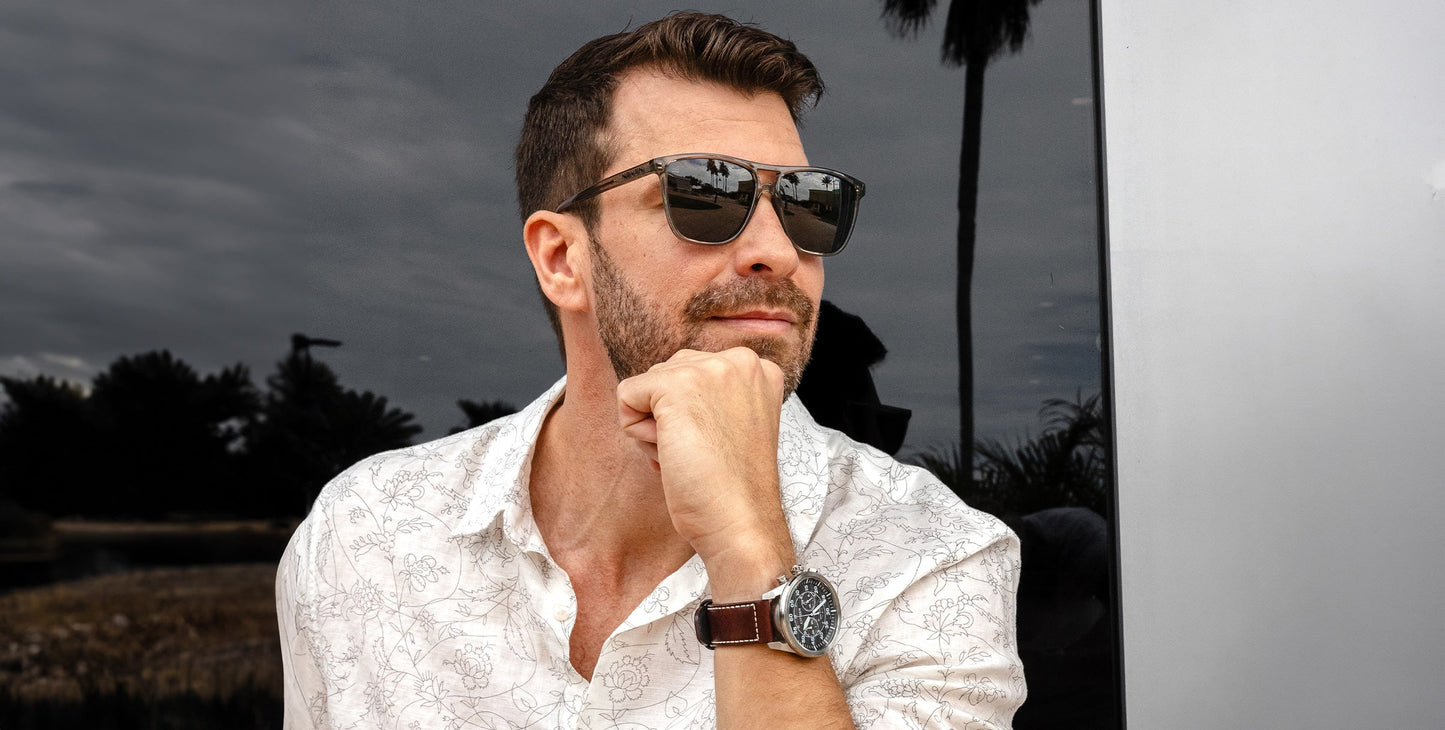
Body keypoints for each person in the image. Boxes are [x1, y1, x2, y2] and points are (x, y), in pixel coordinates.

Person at [276, 12, 1024, 729]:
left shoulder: (931, 556)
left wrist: (748, 550)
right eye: (704, 193)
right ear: (562, 259)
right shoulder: (367, 532)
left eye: (806, 204)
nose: (777, 248)